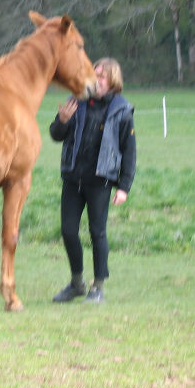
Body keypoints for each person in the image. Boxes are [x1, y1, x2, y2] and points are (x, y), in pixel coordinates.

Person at [49, 57, 136, 304]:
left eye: (102, 75)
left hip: (101, 181)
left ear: (113, 80)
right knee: (67, 231)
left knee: (97, 232)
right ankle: (77, 283)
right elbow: (56, 135)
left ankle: (97, 287)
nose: (97, 78)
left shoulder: (122, 109)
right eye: (94, 73)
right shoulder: (77, 100)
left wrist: (124, 187)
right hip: (72, 177)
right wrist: (62, 121)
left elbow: (129, 151)